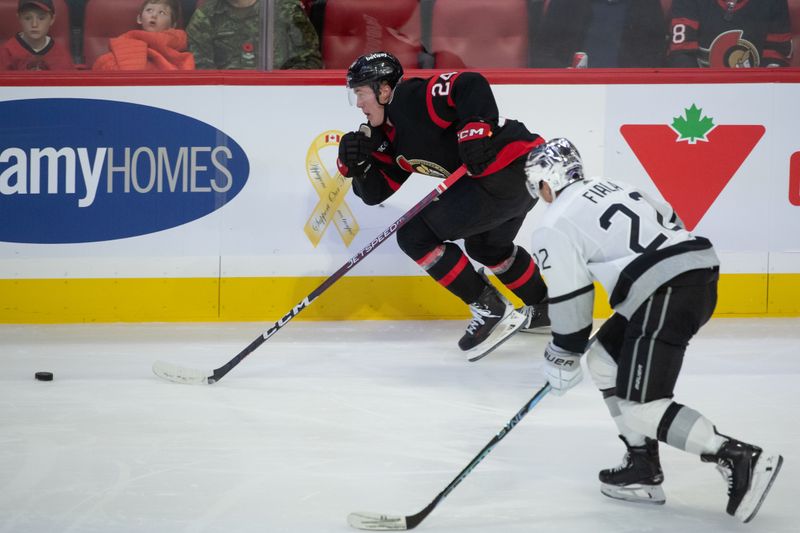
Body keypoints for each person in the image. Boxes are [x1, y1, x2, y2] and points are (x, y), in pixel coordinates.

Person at [525, 138, 783, 522]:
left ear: (545, 180)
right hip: (694, 276)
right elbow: (672, 222)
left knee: (642, 406)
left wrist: (563, 351)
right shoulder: (617, 186)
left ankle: (736, 456)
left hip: (663, 291)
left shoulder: (553, 222)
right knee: (603, 362)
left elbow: (571, 294)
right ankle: (642, 468)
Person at [337, 51, 551, 361]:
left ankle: (491, 308)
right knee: (488, 247)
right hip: (519, 177)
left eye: (361, 92)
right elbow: (375, 193)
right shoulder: (387, 137)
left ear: (384, 90)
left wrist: (475, 127)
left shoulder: (412, 98)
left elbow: (469, 84)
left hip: (509, 164)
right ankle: (545, 307)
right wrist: (357, 166)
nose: (358, 103)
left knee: (414, 236)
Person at [186, 0, 322, 70]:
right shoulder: (205, 16)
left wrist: (282, 85)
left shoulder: (286, 8)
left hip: (281, 95)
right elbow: (201, 68)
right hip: (226, 100)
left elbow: (310, 60)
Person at [532, 0, 667, 68]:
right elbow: (543, 54)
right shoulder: (566, 3)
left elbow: (654, 59)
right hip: (571, 94)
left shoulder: (645, 4)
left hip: (629, 95)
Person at [666, 0, 793, 67]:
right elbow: (681, 54)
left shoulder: (774, 2)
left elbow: (777, 54)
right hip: (702, 93)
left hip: (756, 95)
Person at [92, 0, 194, 71]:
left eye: (162, 13)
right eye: (149, 10)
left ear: (172, 25)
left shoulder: (179, 48)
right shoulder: (127, 41)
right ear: (139, 19)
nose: (154, 15)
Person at [0, 0, 75, 71]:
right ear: (19, 18)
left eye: (41, 18)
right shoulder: (6, 52)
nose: (34, 24)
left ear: (52, 19)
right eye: (27, 18)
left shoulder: (61, 54)